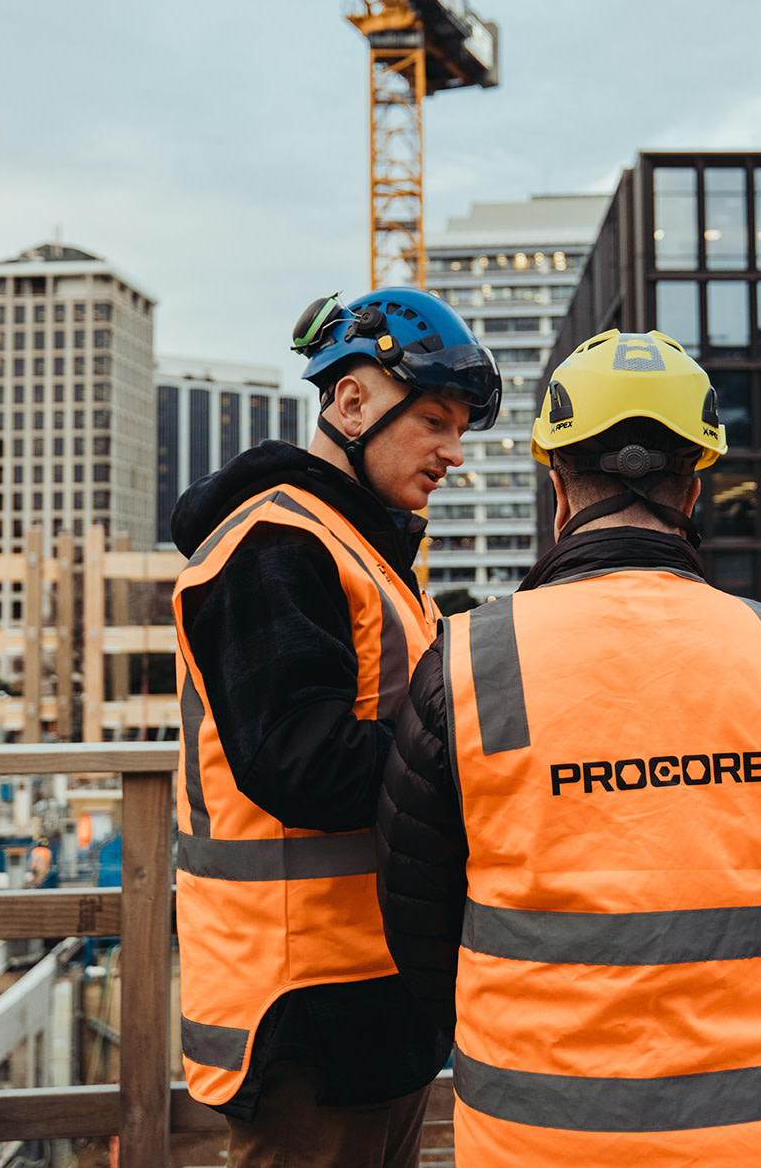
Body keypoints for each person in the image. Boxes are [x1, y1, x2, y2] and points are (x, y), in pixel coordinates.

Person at [377, 329, 761, 1166]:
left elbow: (419, 922)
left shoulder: (466, 664)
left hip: (538, 1134)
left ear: (558, 486)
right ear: (695, 487)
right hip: (760, 1134)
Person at [167, 288, 501, 1168]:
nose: (452, 452)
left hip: (369, 996)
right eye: (434, 420)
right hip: (304, 1011)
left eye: (460, 427)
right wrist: (484, 759)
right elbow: (299, 761)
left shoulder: (363, 552)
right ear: (350, 402)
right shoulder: (275, 544)